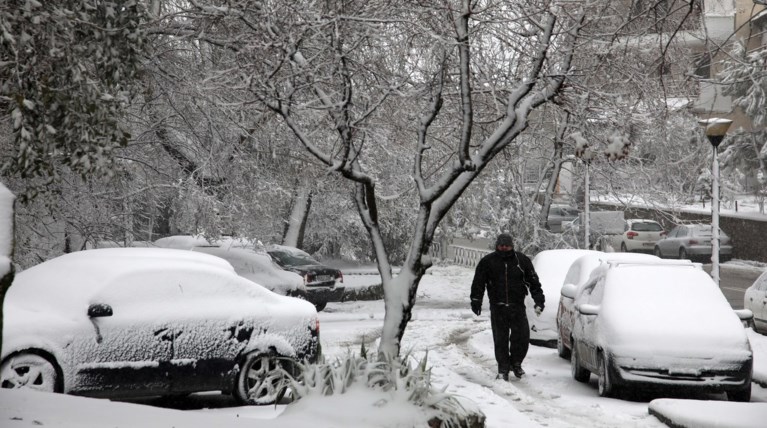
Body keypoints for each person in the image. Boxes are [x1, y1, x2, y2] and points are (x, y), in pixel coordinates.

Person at [470, 233, 544, 380]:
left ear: (512, 246)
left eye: (507, 245)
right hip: (498, 307)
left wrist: (539, 300)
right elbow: (478, 282)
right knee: (500, 339)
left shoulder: (521, 261)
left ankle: (516, 363)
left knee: (521, 337)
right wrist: (476, 300)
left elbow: (533, 282)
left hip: (517, 306)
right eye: (501, 245)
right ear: (497, 245)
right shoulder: (488, 261)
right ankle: (503, 368)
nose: (504, 248)